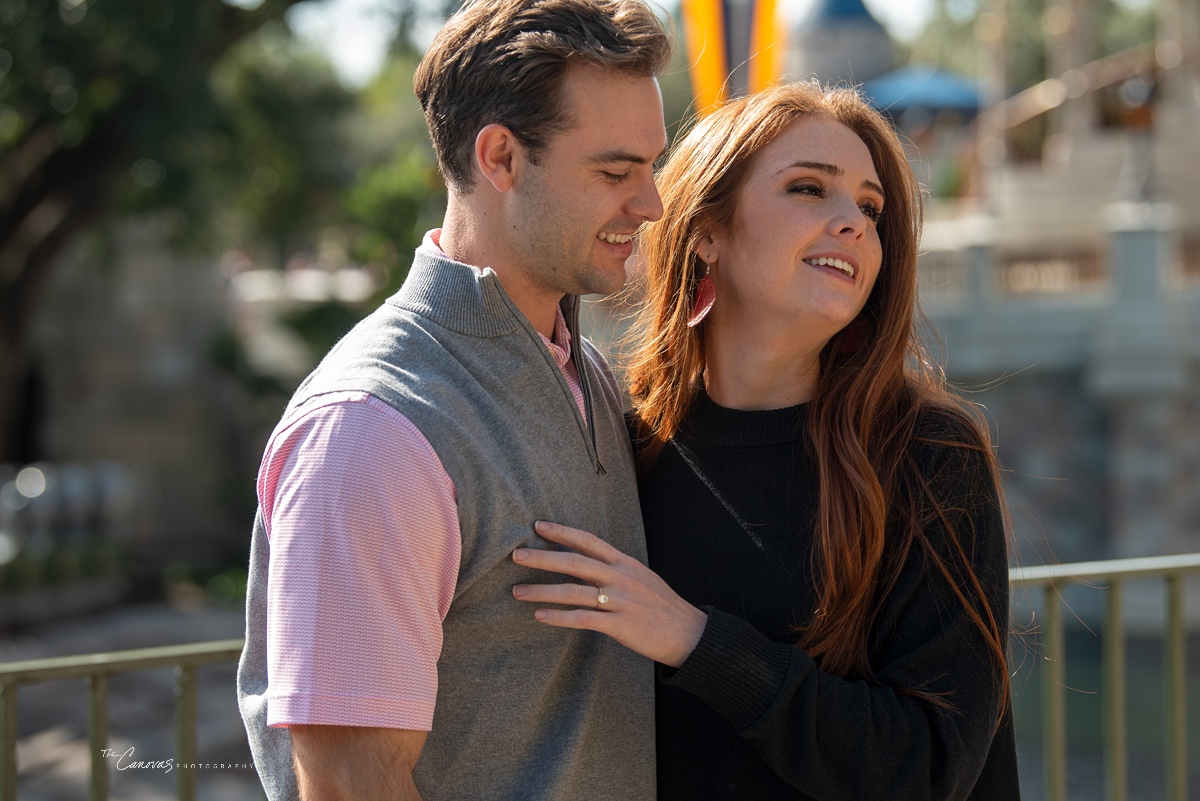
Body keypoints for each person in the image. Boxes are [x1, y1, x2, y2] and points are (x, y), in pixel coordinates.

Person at [512, 81, 1021, 799]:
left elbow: (931, 766)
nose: (854, 223)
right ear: (706, 232)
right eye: (810, 189)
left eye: (871, 208)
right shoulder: (622, 445)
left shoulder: (930, 455)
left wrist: (698, 640)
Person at [236, 1, 671, 799]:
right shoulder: (371, 431)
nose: (650, 204)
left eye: (651, 166)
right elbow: (347, 784)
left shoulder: (589, 374)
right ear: (501, 157)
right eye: (615, 172)